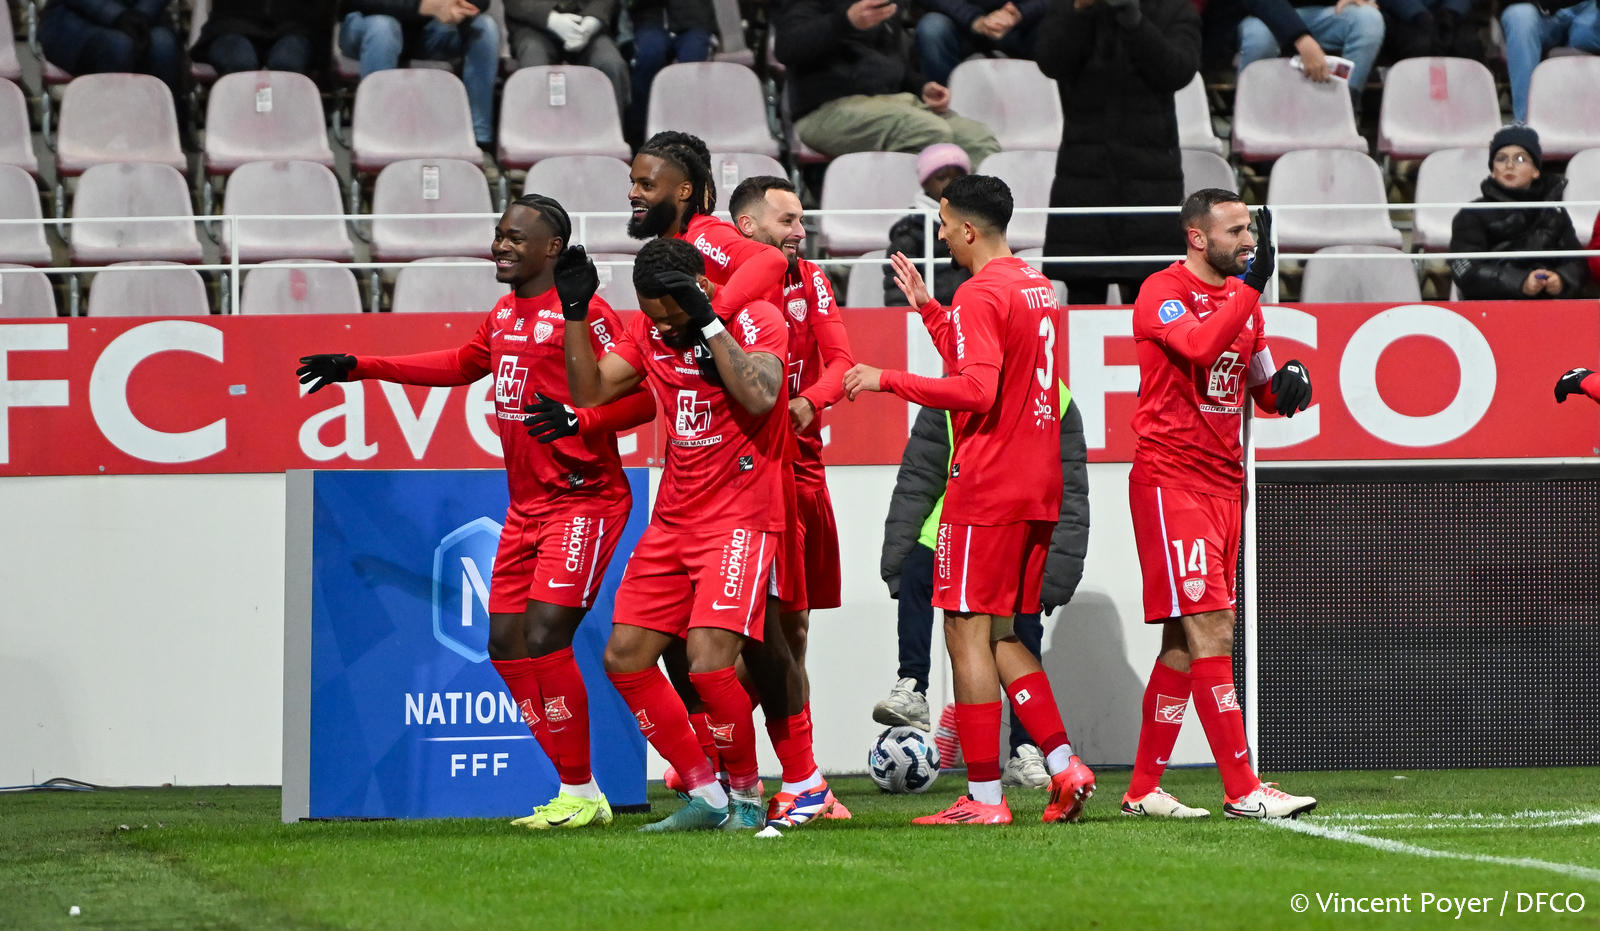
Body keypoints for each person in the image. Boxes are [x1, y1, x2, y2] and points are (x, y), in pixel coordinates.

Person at [294, 195, 656, 830]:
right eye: (498, 235)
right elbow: (463, 364)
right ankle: (581, 787)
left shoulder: (588, 313)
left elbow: (643, 399)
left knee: (545, 636)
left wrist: (581, 420)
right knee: (504, 643)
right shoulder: (505, 313)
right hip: (527, 507)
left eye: (516, 238)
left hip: (585, 497)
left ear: (552, 249)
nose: (501, 246)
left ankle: (581, 791)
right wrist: (360, 366)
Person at [844, 175, 1096, 826]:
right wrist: (932, 311)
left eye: (943, 222)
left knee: (964, 630)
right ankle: (1065, 764)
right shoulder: (1035, 286)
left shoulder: (981, 291)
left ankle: (984, 798)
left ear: (967, 229)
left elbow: (977, 390)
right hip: (1037, 485)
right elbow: (992, 364)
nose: (940, 234)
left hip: (987, 486)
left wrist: (886, 378)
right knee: (1004, 630)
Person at [628, 134, 839, 827]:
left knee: (774, 632)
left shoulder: (711, 241)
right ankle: (728, 775)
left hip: (767, 470)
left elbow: (770, 268)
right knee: (709, 641)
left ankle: (796, 779)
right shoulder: (664, 262)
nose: (634, 193)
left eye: (647, 183)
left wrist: (710, 312)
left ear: (684, 190)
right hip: (699, 488)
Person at [563, 237, 791, 832]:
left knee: (709, 666)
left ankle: (747, 798)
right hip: (672, 520)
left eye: (672, 315)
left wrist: (709, 323)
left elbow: (762, 397)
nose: (663, 328)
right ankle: (704, 793)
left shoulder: (756, 320)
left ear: (702, 289)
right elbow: (591, 392)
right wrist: (575, 314)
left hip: (740, 517)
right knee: (624, 658)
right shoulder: (649, 330)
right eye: (653, 316)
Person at [1123, 189, 1316, 819]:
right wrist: (1251, 290)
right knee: (1213, 628)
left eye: (1250, 229)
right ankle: (1242, 790)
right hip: (1171, 482)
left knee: (1183, 642)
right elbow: (1201, 348)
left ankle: (1141, 791)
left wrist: (1289, 386)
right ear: (1198, 237)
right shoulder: (1162, 292)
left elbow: (1261, 389)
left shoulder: (1243, 300)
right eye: (1235, 231)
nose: (1249, 241)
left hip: (1225, 486)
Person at [876, 383, 1090, 788]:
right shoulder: (963, 386)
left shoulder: (1050, 397)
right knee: (992, 630)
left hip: (999, 526)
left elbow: (1071, 490)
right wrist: (898, 557)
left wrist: (1057, 573)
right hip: (966, 525)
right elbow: (920, 477)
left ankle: (1005, 772)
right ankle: (1059, 761)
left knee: (988, 634)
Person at [728, 175, 859, 823]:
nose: (800, 232)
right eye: (788, 221)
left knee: (794, 630)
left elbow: (843, 362)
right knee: (739, 633)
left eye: (802, 220)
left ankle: (795, 775)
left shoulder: (812, 280)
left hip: (804, 472)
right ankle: (724, 754)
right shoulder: (719, 290)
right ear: (747, 227)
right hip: (742, 476)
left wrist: (811, 401)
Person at [1036, 0, 1199, 304]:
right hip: (1082, 176)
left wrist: (1135, 21)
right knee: (1082, 299)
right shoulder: (1072, 6)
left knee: (1153, 301)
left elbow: (1178, 71)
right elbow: (1051, 61)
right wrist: (1080, 11)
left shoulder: (1172, 8)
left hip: (1152, 179)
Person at [773, 0, 1001, 165]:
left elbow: (891, 62)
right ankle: (913, 217)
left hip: (892, 103)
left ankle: (976, 217)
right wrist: (845, 21)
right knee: (927, 131)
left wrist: (921, 87)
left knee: (977, 139)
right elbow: (787, 48)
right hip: (825, 110)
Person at [1450, 125, 1590, 301]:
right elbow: (1464, 269)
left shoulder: (1554, 213)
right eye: (1501, 159)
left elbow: (1578, 264)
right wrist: (1520, 282)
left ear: (1536, 171)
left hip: (1548, 308)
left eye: (1520, 159)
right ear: (1493, 171)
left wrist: (1561, 280)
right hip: (1490, 309)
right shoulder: (1471, 214)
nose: (1509, 165)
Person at [338, 0, 501, 150]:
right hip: (368, 22)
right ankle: (375, 143)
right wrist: (422, 6)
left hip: (428, 31)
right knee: (383, 27)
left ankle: (478, 142)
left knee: (484, 26)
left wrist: (456, 5)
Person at [1236, 0, 1385, 108]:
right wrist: (1301, 39)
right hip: (1263, 13)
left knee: (1368, 19)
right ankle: (1247, 120)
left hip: (1323, 12)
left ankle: (1344, 110)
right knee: (1259, 39)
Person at [505, 0, 631, 121]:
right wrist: (552, 20)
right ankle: (532, 133)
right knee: (533, 67)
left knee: (611, 65)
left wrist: (592, 22)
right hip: (535, 26)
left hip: (588, 24)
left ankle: (607, 133)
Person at [884, 143, 973, 306]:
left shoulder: (979, 222)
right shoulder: (909, 230)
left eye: (958, 177)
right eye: (941, 177)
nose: (951, 183)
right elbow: (900, 292)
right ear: (925, 183)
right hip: (928, 316)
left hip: (973, 312)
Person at [38, 0, 183, 98]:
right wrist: (116, 15)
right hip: (77, 19)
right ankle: (109, 127)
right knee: (119, 45)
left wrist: (142, 15)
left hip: (143, 16)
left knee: (164, 44)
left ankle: (166, 127)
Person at [625, 0, 714, 143]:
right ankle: (640, 134)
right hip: (650, 20)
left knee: (692, 65)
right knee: (649, 55)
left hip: (694, 20)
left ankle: (692, 135)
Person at [1501, 0, 1598, 123]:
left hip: (1590, 9)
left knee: (1583, 37)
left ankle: (1577, 119)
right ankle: (1526, 122)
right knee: (1519, 16)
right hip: (1538, 11)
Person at [915, 0, 1043, 86]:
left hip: (1020, 23)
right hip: (960, 21)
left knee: (1050, 30)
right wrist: (974, 19)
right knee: (932, 28)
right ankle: (942, 104)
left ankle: (1041, 105)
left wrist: (1020, 13)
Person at [191, 0, 330, 75]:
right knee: (240, 63)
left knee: (287, 64)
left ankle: (285, 120)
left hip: (293, 29)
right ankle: (238, 119)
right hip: (231, 25)